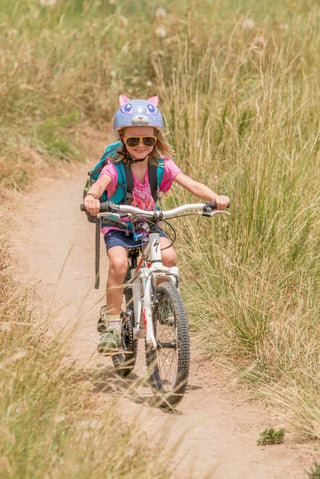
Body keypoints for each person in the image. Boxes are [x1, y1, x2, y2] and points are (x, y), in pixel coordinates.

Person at [84, 95, 230, 355]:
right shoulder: (114, 167)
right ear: (122, 138)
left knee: (169, 257)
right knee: (118, 265)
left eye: (148, 140)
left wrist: (215, 198)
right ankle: (113, 327)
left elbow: (193, 184)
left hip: (147, 225)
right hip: (118, 224)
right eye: (133, 140)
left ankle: (164, 303)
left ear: (156, 138)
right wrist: (92, 198)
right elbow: (99, 186)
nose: (141, 146)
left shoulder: (162, 164)